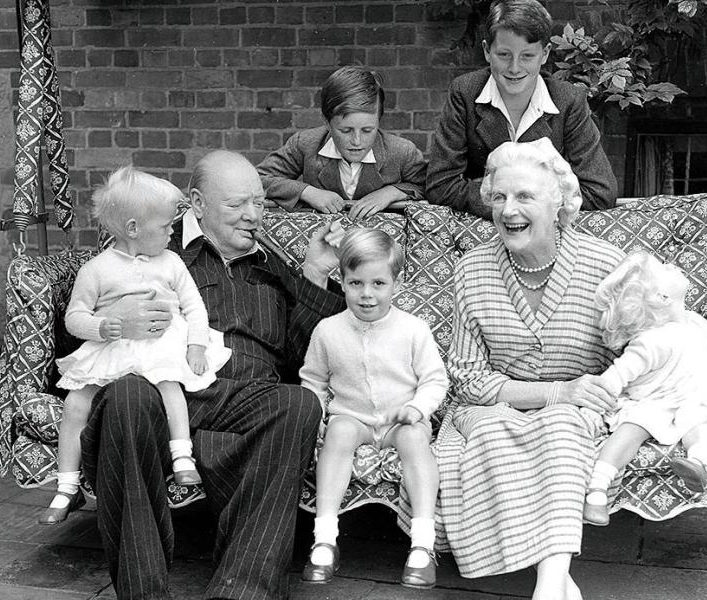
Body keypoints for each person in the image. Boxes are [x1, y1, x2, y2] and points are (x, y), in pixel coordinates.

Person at [78, 151, 347, 600]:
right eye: (237, 204)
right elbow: (87, 324)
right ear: (197, 203)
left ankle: (241, 591)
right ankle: (143, 593)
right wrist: (116, 319)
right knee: (126, 395)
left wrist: (316, 272)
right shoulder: (154, 253)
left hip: (247, 398)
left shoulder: (270, 265)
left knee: (299, 403)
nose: (253, 216)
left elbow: (307, 353)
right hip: (167, 393)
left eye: (260, 204)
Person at [419, 138, 622, 600]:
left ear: (560, 204)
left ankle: (549, 585)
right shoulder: (472, 269)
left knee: (563, 426)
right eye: (500, 197)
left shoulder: (605, 266)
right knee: (496, 429)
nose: (509, 209)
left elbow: (627, 361)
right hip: (492, 408)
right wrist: (555, 393)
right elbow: (468, 378)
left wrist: (577, 396)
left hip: (579, 410)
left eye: (525, 196)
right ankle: (555, 583)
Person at [38, 167, 231, 526]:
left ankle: (182, 457)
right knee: (77, 403)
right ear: (132, 229)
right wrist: (102, 326)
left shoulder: (171, 263)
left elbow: (194, 307)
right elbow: (74, 317)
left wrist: (196, 346)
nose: (173, 231)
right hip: (115, 345)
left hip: (161, 344)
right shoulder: (97, 270)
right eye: (165, 226)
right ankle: (66, 485)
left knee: (169, 386)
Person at [299, 228, 448, 589]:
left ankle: (423, 544)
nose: (367, 295)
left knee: (415, 440)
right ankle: (325, 538)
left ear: (395, 282)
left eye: (378, 283)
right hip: (354, 416)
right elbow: (313, 381)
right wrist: (318, 414)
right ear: (343, 281)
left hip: (402, 418)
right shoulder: (328, 330)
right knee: (338, 433)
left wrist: (417, 407)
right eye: (356, 283)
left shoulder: (413, 329)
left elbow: (436, 380)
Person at [582, 251, 707, 526]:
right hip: (653, 402)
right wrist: (591, 403)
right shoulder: (650, 342)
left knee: (698, 421)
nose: (672, 264)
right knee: (633, 426)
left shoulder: (696, 323)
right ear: (662, 297)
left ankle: (698, 464)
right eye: (665, 267)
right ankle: (597, 489)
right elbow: (618, 375)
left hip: (692, 401)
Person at [426, 0, 616, 214]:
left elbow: (600, 193)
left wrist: (522, 204)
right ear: (487, 51)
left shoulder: (568, 101)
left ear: (544, 54)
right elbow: (440, 186)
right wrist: (527, 198)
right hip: (482, 230)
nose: (515, 68)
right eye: (504, 55)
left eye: (527, 56)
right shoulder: (465, 93)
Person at [257, 65, 427, 219]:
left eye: (368, 130)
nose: (357, 141)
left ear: (379, 120)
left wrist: (391, 193)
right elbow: (258, 179)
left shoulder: (402, 151)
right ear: (327, 122)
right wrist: (307, 192)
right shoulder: (305, 144)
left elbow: (430, 185)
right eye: (346, 130)